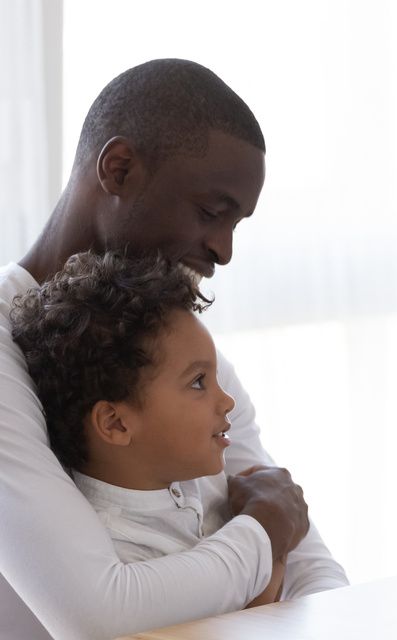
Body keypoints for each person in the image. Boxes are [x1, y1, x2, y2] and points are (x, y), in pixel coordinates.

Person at [0, 59, 347, 639]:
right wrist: (263, 533)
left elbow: (314, 566)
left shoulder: (185, 349)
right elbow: (95, 614)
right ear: (119, 168)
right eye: (212, 212)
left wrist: (279, 545)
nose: (224, 250)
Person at [11, 251, 291, 608]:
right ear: (116, 423)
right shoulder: (119, 549)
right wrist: (272, 534)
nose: (227, 402)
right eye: (198, 382)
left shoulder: (198, 483)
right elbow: (244, 619)